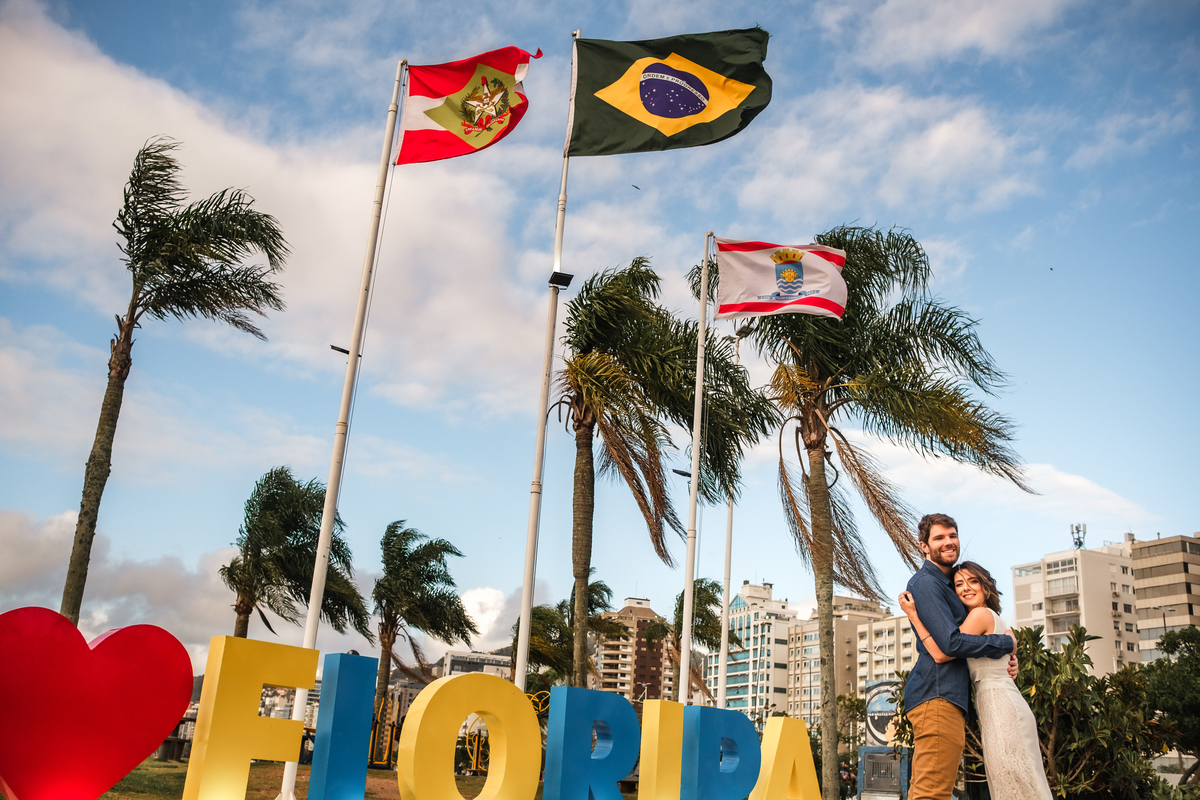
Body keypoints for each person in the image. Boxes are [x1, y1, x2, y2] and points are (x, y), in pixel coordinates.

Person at [900, 560, 1053, 800]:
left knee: (1011, 780)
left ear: (986, 586)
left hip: (999, 706)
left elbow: (943, 652)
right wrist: (1012, 652)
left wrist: (915, 616)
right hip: (1001, 704)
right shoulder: (993, 619)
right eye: (958, 584)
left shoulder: (980, 615)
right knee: (1019, 779)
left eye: (973, 581)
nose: (965, 588)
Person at [902, 513, 1017, 800]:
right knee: (932, 793)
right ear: (924, 546)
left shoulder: (946, 583)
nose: (948, 542)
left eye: (952, 535)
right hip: (937, 695)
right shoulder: (927, 583)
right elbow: (951, 644)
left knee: (928, 789)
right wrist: (1003, 643)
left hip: (945, 696)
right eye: (939, 538)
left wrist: (1008, 657)